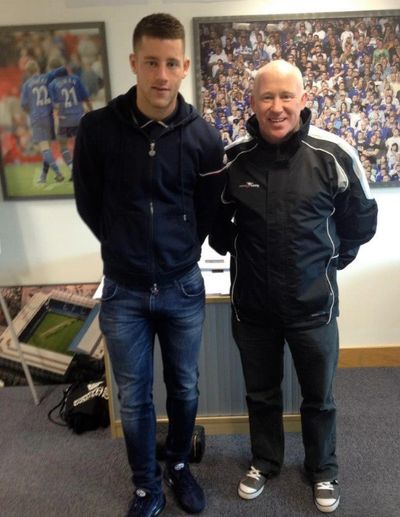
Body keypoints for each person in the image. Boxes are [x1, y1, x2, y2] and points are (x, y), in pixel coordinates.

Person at [73, 13, 225, 517]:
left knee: (184, 386)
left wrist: (179, 248)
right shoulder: (98, 130)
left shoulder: (203, 136)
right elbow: (88, 203)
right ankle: (146, 486)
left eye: (171, 63)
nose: (162, 74)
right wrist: (123, 247)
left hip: (182, 286)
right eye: (152, 62)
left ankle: (179, 465)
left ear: (184, 67)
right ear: (135, 62)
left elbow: (208, 209)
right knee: (134, 398)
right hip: (124, 291)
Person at [209, 60, 378, 514]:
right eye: (267, 97)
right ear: (253, 103)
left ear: (305, 101)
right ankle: (264, 462)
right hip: (254, 306)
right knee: (259, 392)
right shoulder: (232, 159)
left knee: (318, 397)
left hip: (314, 306)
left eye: (287, 96)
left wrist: (334, 260)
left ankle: (323, 469)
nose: (277, 107)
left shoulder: (334, 154)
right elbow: (216, 225)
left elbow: (361, 219)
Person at [20, 59, 67, 183]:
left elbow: (23, 104)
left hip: (37, 117)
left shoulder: (26, 85)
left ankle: (58, 173)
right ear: (37, 68)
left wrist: (31, 110)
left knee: (45, 148)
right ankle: (43, 176)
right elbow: (61, 70)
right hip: (49, 116)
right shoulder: (46, 77)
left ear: (27, 72)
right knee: (47, 148)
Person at [48, 59, 93, 181]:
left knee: (63, 146)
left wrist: (55, 120)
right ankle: (86, 171)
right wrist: (91, 112)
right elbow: (85, 98)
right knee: (82, 145)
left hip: (65, 120)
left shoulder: (52, 85)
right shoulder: (76, 79)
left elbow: (56, 106)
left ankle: (73, 169)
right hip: (79, 118)